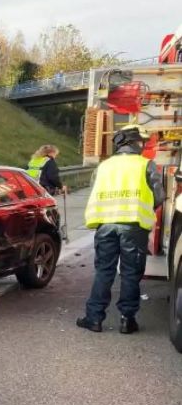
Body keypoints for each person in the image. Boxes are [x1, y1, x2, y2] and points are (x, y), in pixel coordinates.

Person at [76, 124, 165, 334]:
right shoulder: (146, 165)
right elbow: (159, 196)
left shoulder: (104, 166)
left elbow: (95, 191)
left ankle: (94, 318)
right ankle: (127, 320)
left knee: (103, 271)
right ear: (133, 143)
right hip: (133, 228)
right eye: (141, 142)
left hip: (105, 226)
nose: (143, 145)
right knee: (131, 273)